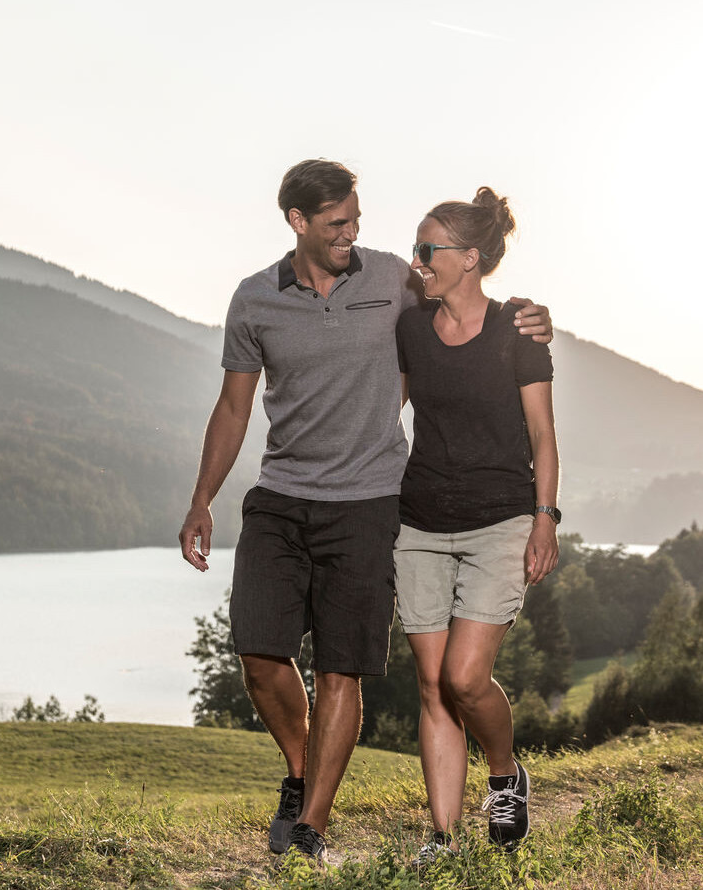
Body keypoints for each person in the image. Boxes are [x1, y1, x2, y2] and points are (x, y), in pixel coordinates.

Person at [179, 160, 551, 864]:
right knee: (259, 655)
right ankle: (301, 772)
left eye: (355, 218)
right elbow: (233, 406)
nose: (352, 233)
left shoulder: (392, 279)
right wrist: (202, 497)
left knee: (342, 670)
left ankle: (311, 828)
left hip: (371, 501)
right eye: (336, 223)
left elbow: (470, 300)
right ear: (298, 222)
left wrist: (536, 317)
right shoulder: (255, 299)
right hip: (281, 495)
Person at [395, 187, 558, 864]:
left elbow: (543, 436)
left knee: (465, 678)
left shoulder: (517, 330)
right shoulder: (409, 328)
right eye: (416, 248)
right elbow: (384, 413)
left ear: (468, 258)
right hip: (420, 524)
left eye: (428, 249)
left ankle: (504, 773)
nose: (417, 261)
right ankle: (442, 837)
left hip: (500, 522)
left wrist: (544, 519)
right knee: (432, 686)